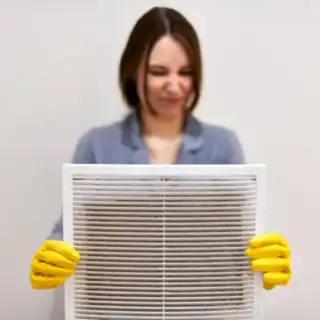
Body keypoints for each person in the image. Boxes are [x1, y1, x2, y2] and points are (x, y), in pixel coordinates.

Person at [29, 6, 291, 293]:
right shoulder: (96, 145)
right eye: (158, 72)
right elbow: (70, 233)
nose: (175, 85)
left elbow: (235, 244)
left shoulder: (222, 146)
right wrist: (52, 255)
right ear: (132, 72)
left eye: (186, 72)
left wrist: (264, 259)